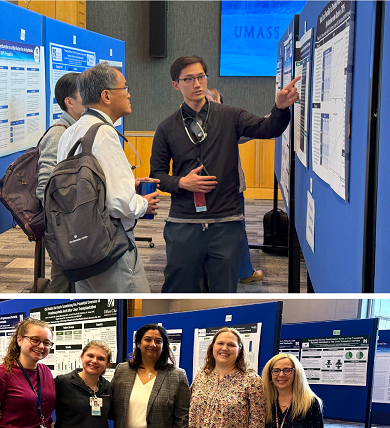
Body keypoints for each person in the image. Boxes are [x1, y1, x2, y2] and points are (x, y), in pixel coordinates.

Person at [150, 55, 300, 293]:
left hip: (226, 222)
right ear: (176, 84)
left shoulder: (230, 115)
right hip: (184, 222)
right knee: (179, 286)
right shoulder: (167, 127)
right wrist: (182, 182)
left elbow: (267, 128)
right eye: (189, 79)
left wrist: (280, 108)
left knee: (224, 287)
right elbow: (157, 175)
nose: (197, 83)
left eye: (201, 77)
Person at [56, 63, 160, 292]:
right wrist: (144, 204)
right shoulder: (103, 134)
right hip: (111, 248)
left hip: (80, 246)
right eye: (125, 88)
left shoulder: (70, 132)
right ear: (106, 96)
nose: (129, 93)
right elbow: (120, 204)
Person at [207, 87, 263, 285]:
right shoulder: (225, 125)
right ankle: (245, 272)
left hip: (206, 192)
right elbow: (255, 129)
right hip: (228, 192)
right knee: (237, 229)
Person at [36, 72, 81, 292]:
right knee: (63, 285)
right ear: (69, 102)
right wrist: (61, 224)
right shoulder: (58, 135)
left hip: (77, 223)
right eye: (85, 95)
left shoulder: (79, 131)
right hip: (63, 227)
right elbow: (45, 186)